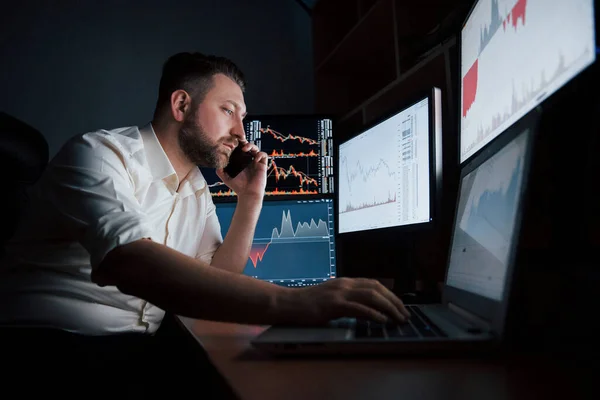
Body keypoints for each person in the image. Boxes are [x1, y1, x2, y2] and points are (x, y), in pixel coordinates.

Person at [0, 52, 409, 393]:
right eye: (228, 111)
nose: (240, 132)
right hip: (49, 346)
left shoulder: (196, 187)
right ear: (181, 106)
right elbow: (127, 261)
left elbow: (220, 277)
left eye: (242, 116)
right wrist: (296, 303)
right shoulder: (100, 155)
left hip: (133, 350)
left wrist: (250, 197)